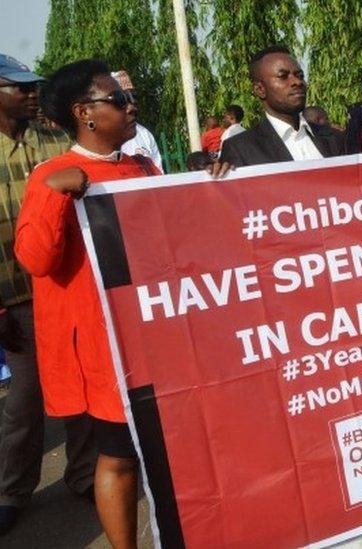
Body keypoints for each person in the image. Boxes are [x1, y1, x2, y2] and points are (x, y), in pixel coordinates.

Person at [16, 59, 230, 548]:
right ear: (84, 113)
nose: (130, 106)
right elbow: (35, 258)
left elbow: (179, 243)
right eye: (117, 99)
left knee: (174, 453)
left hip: (158, 336)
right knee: (118, 455)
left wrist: (210, 184)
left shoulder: (143, 167)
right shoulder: (51, 176)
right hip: (106, 348)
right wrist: (56, 196)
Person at [0, 53, 97, 536]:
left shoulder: (58, 140)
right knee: (25, 401)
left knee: (77, 388)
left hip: (65, 288)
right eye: (18, 87)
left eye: (32, 85)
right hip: (13, 297)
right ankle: (12, 491)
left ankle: (82, 475)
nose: (31, 92)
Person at [220, 46, 344, 167]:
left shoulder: (335, 138)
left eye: (300, 76)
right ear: (260, 90)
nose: (297, 82)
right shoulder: (240, 149)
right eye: (283, 77)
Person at [111, 70, 164, 173]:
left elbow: (159, 177)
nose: (132, 104)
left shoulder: (144, 134)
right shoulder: (101, 139)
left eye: (133, 96)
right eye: (122, 98)